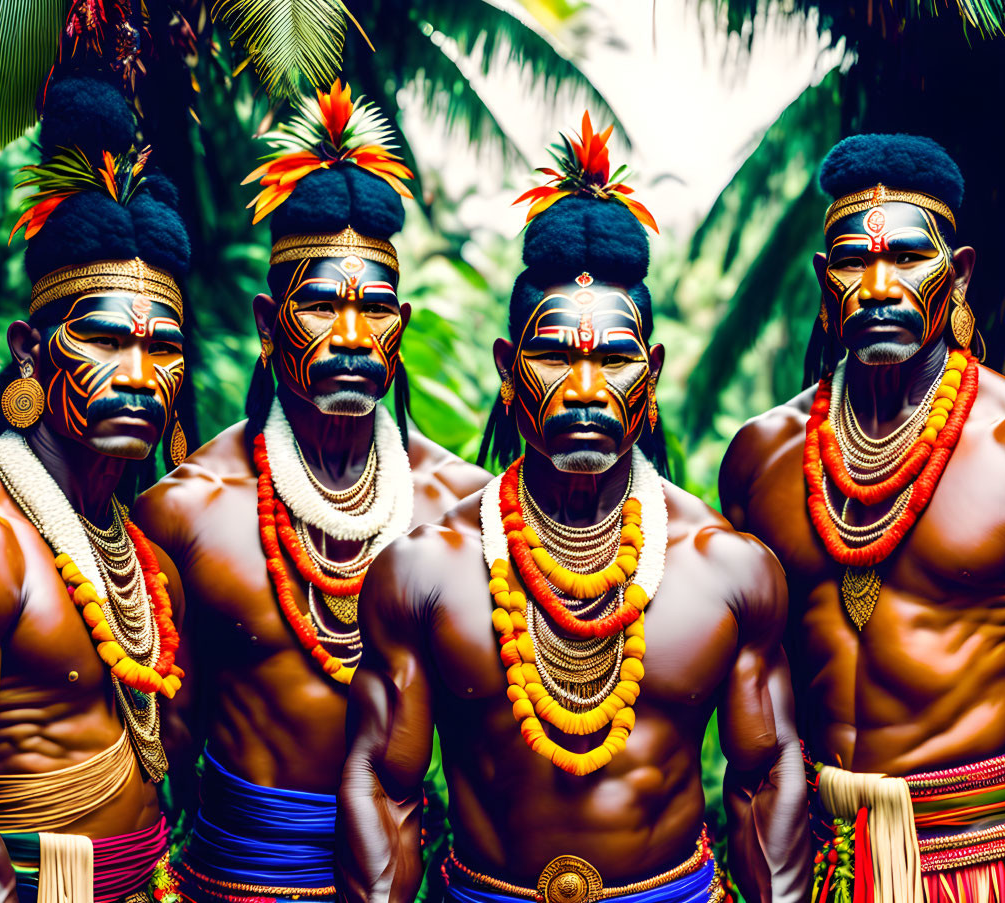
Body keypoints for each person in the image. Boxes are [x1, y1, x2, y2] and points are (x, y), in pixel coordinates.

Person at [337, 114, 810, 903]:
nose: (585, 388)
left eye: (615, 358)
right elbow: (383, 786)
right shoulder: (425, 568)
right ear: (506, 367)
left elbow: (765, 776)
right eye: (555, 354)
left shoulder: (727, 566)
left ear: (651, 374)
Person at [718, 133, 1005, 902]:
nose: (877, 284)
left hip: (983, 861)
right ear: (822, 280)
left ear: (959, 272)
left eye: (907, 257)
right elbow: (752, 701)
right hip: (815, 865)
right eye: (852, 260)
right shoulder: (760, 459)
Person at [131, 80, 491, 903]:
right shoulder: (190, 508)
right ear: (266, 324)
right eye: (321, 305)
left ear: (400, 324)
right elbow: (153, 745)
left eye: (373, 308)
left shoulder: (462, 507)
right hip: (230, 880)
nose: (352, 336)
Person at [0, 76, 192, 903]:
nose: (138, 376)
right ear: (30, 351)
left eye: (163, 349)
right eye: (100, 338)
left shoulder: (143, 559)